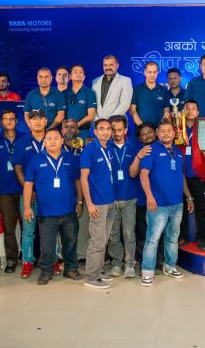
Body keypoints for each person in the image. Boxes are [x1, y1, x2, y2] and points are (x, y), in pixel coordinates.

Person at [23, 128, 84, 285]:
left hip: (69, 211)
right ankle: (46, 271)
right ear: (44, 142)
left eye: (56, 138)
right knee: (47, 246)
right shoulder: (36, 160)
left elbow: (78, 181)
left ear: (62, 141)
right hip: (47, 213)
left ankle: (71, 269)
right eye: (48, 138)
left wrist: (80, 201)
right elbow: (28, 184)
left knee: (70, 243)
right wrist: (27, 207)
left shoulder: (71, 158)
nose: (52, 141)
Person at [139, 121, 194, 287]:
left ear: (174, 133)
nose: (165, 134)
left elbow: (181, 176)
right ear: (157, 133)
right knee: (152, 239)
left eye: (169, 131)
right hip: (158, 205)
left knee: (172, 238)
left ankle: (170, 266)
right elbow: (143, 174)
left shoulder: (178, 152)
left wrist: (189, 197)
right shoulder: (151, 150)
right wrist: (149, 196)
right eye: (162, 131)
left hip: (177, 204)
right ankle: (147, 271)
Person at [80, 119, 117, 289]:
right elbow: (84, 178)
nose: (105, 132)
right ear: (95, 132)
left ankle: (99, 270)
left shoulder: (108, 147)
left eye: (108, 129)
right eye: (101, 129)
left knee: (104, 239)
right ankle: (91, 276)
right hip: (97, 202)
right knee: (97, 240)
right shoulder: (90, 150)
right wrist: (89, 203)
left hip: (110, 200)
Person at [13, 110, 48, 279]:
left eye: (40, 118)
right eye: (34, 119)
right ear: (29, 122)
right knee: (28, 231)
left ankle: (54, 259)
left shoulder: (53, 138)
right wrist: (29, 191)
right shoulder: (22, 142)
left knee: (51, 230)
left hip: (50, 196)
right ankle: (27, 261)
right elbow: (18, 168)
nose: (37, 122)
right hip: (29, 195)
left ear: (46, 121)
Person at [106, 115, 140, 279]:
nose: (116, 133)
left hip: (129, 197)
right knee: (113, 234)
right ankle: (116, 262)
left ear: (126, 130)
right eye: (113, 130)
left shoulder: (134, 146)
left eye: (119, 130)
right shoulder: (105, 147)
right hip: (111, 198)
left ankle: (129, 264)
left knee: (129, 233)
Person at [178, 100, 205, 249]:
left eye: (193, 108)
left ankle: (202, 238)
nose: (190, 111)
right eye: (187, 108)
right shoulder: (177, 128)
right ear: (182, 111)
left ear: (198, 112)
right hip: (180, 174)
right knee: (181, 208)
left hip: (200, 174)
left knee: (202, 208)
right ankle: (182, 236)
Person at [0, 109, 22, 274]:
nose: (9, 121)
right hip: (4, 190)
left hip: (24, 189)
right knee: (9, 226)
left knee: (28, 226)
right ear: (1, 122)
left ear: (17, 121)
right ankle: (12, 258)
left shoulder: (25, 138)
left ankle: (28, 256)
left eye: (12, 119)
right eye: (6, 119)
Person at [130, 122, 157, 266]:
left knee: (159, 233)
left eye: (150, 132)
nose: (147, 136)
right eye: (143, 134)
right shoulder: (137, 150)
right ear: (140, 138)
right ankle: (143, 262)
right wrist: (139, 156)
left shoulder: (164, 148)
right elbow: (133, 173)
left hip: (161, 200)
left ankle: (159, 261)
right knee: (143, 233)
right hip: (142, 199)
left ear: (156, 132)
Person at [92, 55, 133, 120]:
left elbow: (125, 104)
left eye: (111, 65)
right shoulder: (95, 81)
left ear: (117, 65)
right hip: (98, 122)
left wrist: (110, 120)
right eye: (105, 65)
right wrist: (97, 119)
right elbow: (93, 103)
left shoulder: (125, 80)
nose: (108, 67)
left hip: (117, 122)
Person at [130, 61, 166, 128]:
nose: (152, 75)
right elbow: (132, 110)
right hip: (141, 130)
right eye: (149, 72)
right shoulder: (136, 89)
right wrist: (143, 128)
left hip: (159, 131)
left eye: (154, 72)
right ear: (145, 72)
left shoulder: (163, 90)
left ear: (157, 73)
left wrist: (160, 128)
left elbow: (166, 111)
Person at [66, 64, 97, 140]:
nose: (78, 74)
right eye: (75, 72)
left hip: (83, 132)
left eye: (81, 72)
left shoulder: (90, 93)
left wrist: (75, 126)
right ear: (70, 76)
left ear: (84, 77)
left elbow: (91, 116)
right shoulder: (64, 93)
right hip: (66, 132)